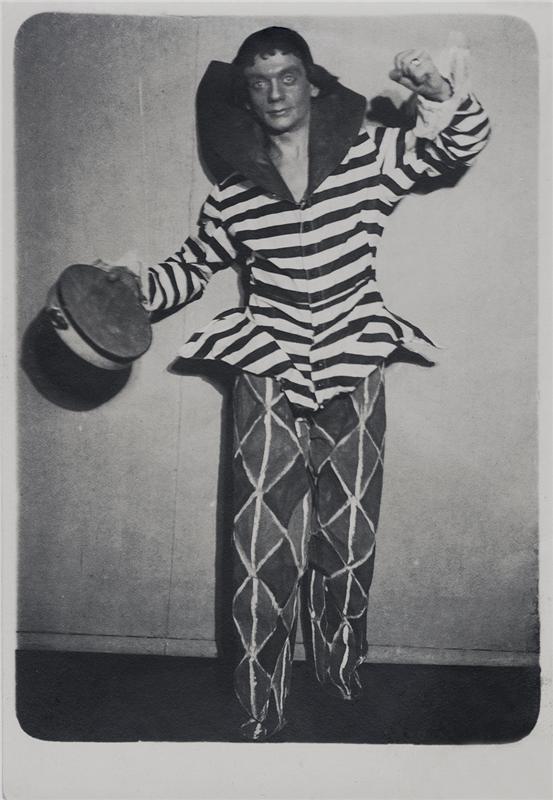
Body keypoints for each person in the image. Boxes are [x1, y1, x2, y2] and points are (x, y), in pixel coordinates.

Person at [134, 26, 490, 741]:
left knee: (349, 533)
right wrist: (124, 293)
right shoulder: (234, 194)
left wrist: (437, 92)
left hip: (354, 354)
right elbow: (189, 268)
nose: (274, 93)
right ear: (245, 96)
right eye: (259, 81)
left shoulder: (368, 155)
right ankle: (258, 703)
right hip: (267, 360)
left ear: (313, 84)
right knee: (260, 542)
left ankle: (339, 670)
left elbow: (454, 146)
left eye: (288, 76)